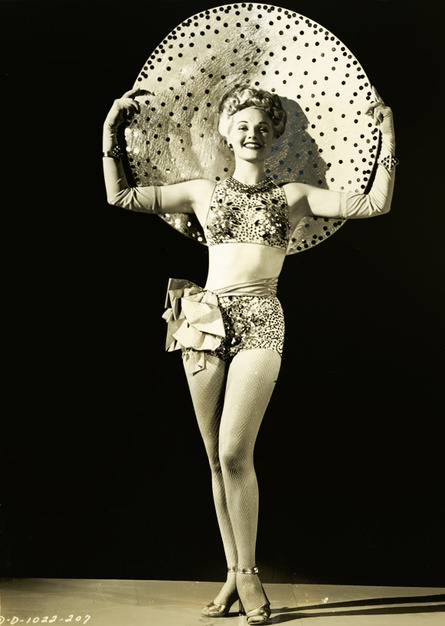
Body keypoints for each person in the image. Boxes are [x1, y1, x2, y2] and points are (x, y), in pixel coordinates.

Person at [102, 84, 397, 624]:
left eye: (262, 126)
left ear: (276, 134)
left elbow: (375, 203)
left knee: (236, 451)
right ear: (224, 131)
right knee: (215, 459)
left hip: (262, 319)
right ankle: (234, 573)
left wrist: (389, 135)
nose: (251, 133)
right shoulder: (201, 191)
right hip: (204, 322)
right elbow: (121, 196)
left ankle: (250, 574)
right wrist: (110, 132)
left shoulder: (294, 196)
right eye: (242, 125)